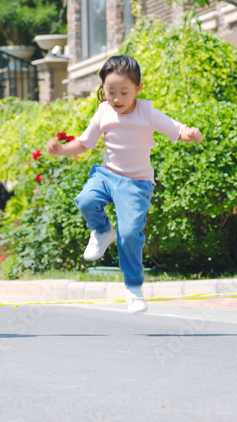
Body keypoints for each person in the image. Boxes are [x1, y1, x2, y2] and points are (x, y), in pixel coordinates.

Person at [47, 55, 203, 314]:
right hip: (107, 175)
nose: (116, 99)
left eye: (123, 92)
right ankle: (102, 230)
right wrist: (61, 150)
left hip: (136, 183)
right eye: (110, 92)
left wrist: (191, 134)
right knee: (86, 199)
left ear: (138, 89)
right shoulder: (103, 111)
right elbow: (85, 143)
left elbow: (176, 130)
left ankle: (133, 289)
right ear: (103, 90)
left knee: (130, 235)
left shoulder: (148, 113)